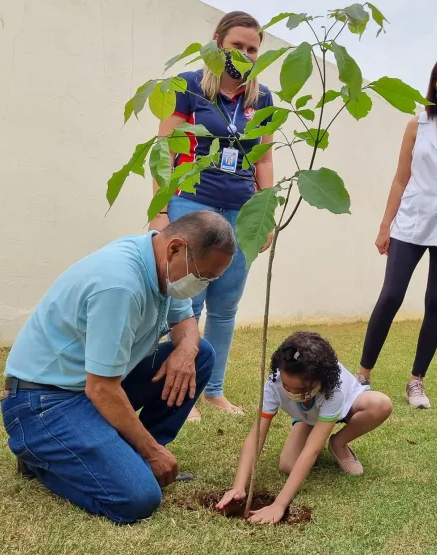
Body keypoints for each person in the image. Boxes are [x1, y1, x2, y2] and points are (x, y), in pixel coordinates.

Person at [1, 211, 236, 524]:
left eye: (210, 280)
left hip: (89, 387)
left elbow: (185, 322)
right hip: (43, 402)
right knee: (137, 499)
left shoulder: (160, 264)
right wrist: (152, 450)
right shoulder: (120, 284)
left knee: (200, 355)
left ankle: (134, 460)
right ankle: (42, 458)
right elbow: (101, 388)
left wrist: (186, 349)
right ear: (175, 248)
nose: (202, 285)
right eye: (202, 276)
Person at [149, 11, 275, 418]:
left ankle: (212, 390)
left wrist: (265, 215)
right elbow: (164, 150)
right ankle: (178, 387)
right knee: (186, 301)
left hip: (241, 211)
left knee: (225, 306)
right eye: (237, 45)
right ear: (217, 42)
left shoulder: (262, 99)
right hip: (192, 203)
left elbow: (264, 158)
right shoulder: (187, 86)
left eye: (252, 49)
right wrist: (160, 210)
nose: (244, 54)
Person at [357, 52, 437, 409]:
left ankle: (416, 381)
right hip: (411, 222)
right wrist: (385, 225)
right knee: (391, 296)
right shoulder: (417, 125)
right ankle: (363, 374)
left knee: (436, 303)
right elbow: (401, 178)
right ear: (434, 85)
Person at [216, 332, 393, 524]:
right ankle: (309, 422)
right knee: (288, 466)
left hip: (349, 406)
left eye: (301, 390)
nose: (292, 393)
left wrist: (279, 504)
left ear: (320, 380)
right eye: (287, 386)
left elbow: (311, 450)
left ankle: (338, 443)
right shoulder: (274, 382)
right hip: (308, 417)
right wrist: (238, 486)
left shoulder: (334, 389)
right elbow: (256, 436)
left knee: (381, 404)